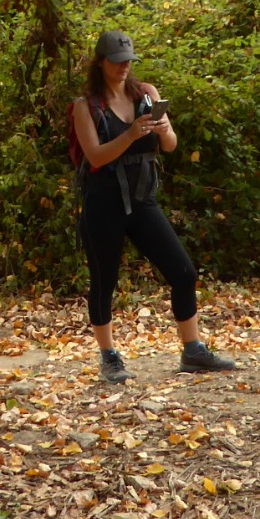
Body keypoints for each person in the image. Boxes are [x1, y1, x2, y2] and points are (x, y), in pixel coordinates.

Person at [72, 29, 238, 382]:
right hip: (102, 203)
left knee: (183, 272)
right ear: (100, 63)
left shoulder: (146, 94)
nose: (123, 67)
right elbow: (96, 156)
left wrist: (163, 129)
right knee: (104, 281)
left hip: (142, 201)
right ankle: (109, 357)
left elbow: (171, 145)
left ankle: (193, 350)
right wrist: (130, 134)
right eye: (116, 62)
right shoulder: (86, 106)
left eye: (128, 61)